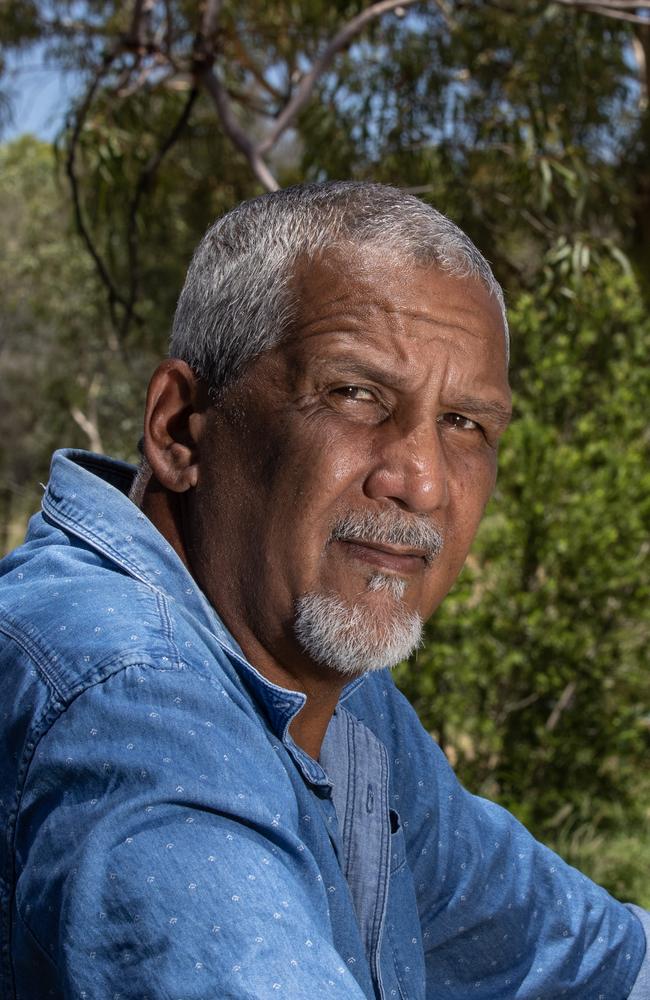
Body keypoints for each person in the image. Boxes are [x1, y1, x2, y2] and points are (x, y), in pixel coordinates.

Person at [0, 182, 647, 1000]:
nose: (419, 479)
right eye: (355, 394)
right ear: (178, 428)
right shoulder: (131, 706)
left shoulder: (333, 701)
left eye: (465, 424)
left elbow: (588, 957)